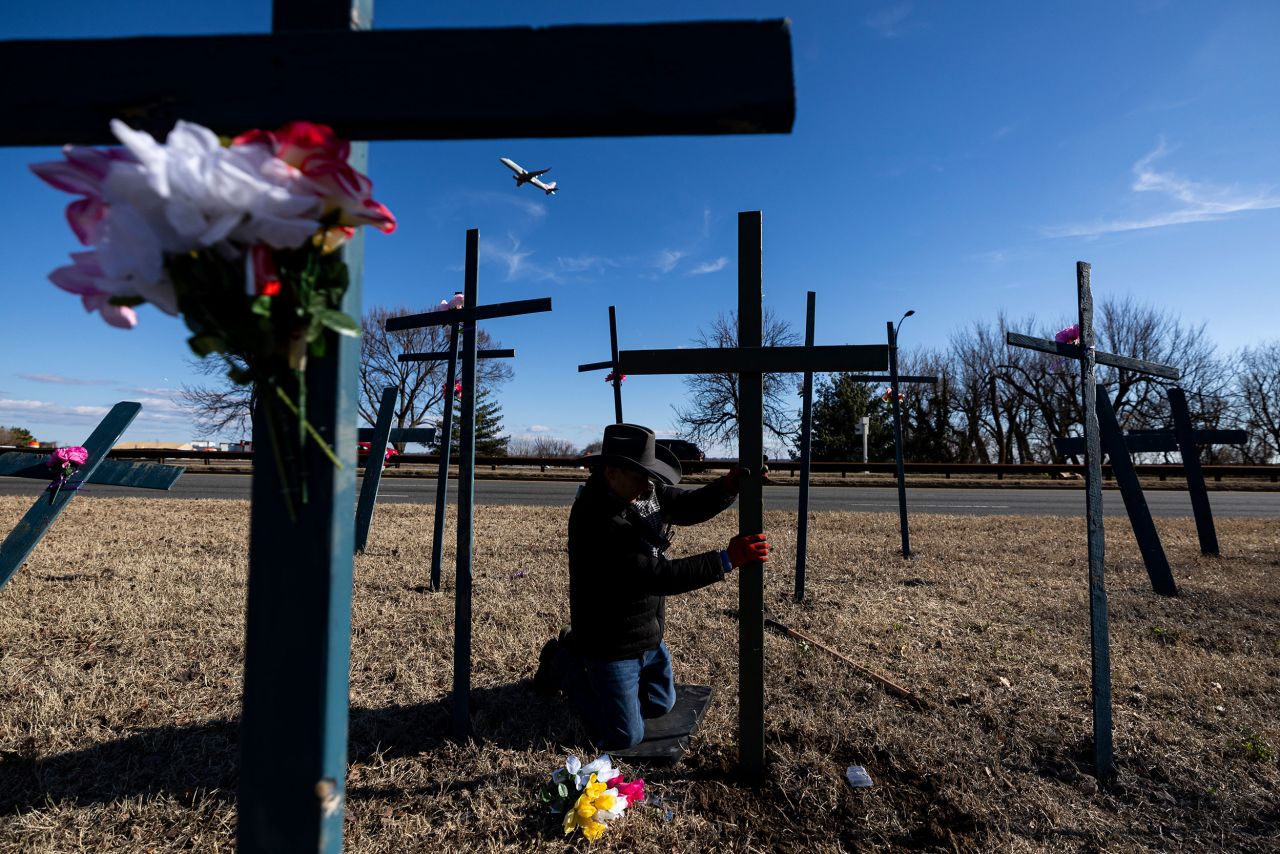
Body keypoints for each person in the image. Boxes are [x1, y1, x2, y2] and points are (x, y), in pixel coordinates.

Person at [534, 423, 770, 749]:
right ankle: (562, 664)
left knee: (660, 704)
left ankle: (589, 663)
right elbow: (658, 575)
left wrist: (728, 487)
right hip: (609, 643)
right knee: (624, 736)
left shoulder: (642, 491)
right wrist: (725, 559)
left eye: (649, 474)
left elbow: (685, 505)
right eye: (639, 474)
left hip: (646, 635)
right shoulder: (597, 520)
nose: (648, 484)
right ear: (612, 473)